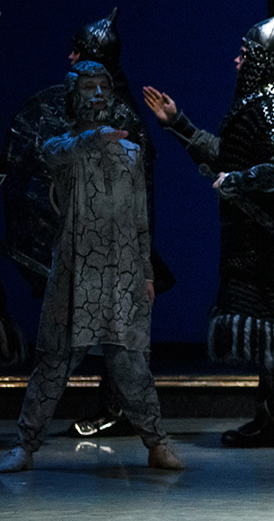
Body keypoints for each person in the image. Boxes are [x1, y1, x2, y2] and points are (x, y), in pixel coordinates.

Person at [143, 7, 274, 447]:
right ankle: (268, 417)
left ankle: (273, 419)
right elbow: (227, 154)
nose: (237, 61)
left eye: (245, 54)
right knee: (271, 334)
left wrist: (238, 181)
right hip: (255, 243)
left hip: (270, 245)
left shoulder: (271, 104)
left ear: (261, 59)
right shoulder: (257, 104)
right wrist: (179, 124)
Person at [0, 62, 184, 473]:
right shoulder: (62, 148)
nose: (98, 93)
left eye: (103, 86)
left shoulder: (130, 153)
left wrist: (146, 272)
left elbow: (139, 218)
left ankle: (156, 443)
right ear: (74, 94)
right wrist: (92, 139)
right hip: (73, 276)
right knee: (52, 365)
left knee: (132, 366)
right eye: (89, 87)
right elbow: (57, 152)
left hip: (121, 274)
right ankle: (25, 445)